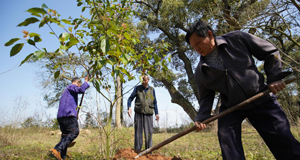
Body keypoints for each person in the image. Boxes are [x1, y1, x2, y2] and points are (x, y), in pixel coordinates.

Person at [185, 19, 300, 160]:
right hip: (231, 107)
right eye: (193, 46)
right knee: (227, 141)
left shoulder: (237, 38)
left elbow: (271, 52)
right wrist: (202, 118)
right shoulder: (201, 71)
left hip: (261, 98)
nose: (196, 49)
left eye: (198, 43)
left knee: (283, 140)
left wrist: (274, 77)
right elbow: (206, 98)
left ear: (209, 34)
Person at [51, 76, 90, 160]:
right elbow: (80, 90)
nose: (79, 86)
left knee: (65, 136)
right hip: (68, 115)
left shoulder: (67, 91)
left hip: (62, 116)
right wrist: (86, 82)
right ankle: (57, 148)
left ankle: (61, 156)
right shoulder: (71, 86)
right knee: (74, 132)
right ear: (77, 82)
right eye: (79, 84)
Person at [127, 75, 160, 152]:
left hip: (149, 114)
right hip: (139, 113)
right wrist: (129, 107)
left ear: (148, 80)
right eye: (142, 80)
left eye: (145, 80)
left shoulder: (152, 90)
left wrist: (157, 113)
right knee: (138, 134)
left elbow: (155, 102)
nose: (143, 81)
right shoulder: (137, 88)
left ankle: (148, 152)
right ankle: (137, 152)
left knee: (148, 134)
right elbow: (130, 98)